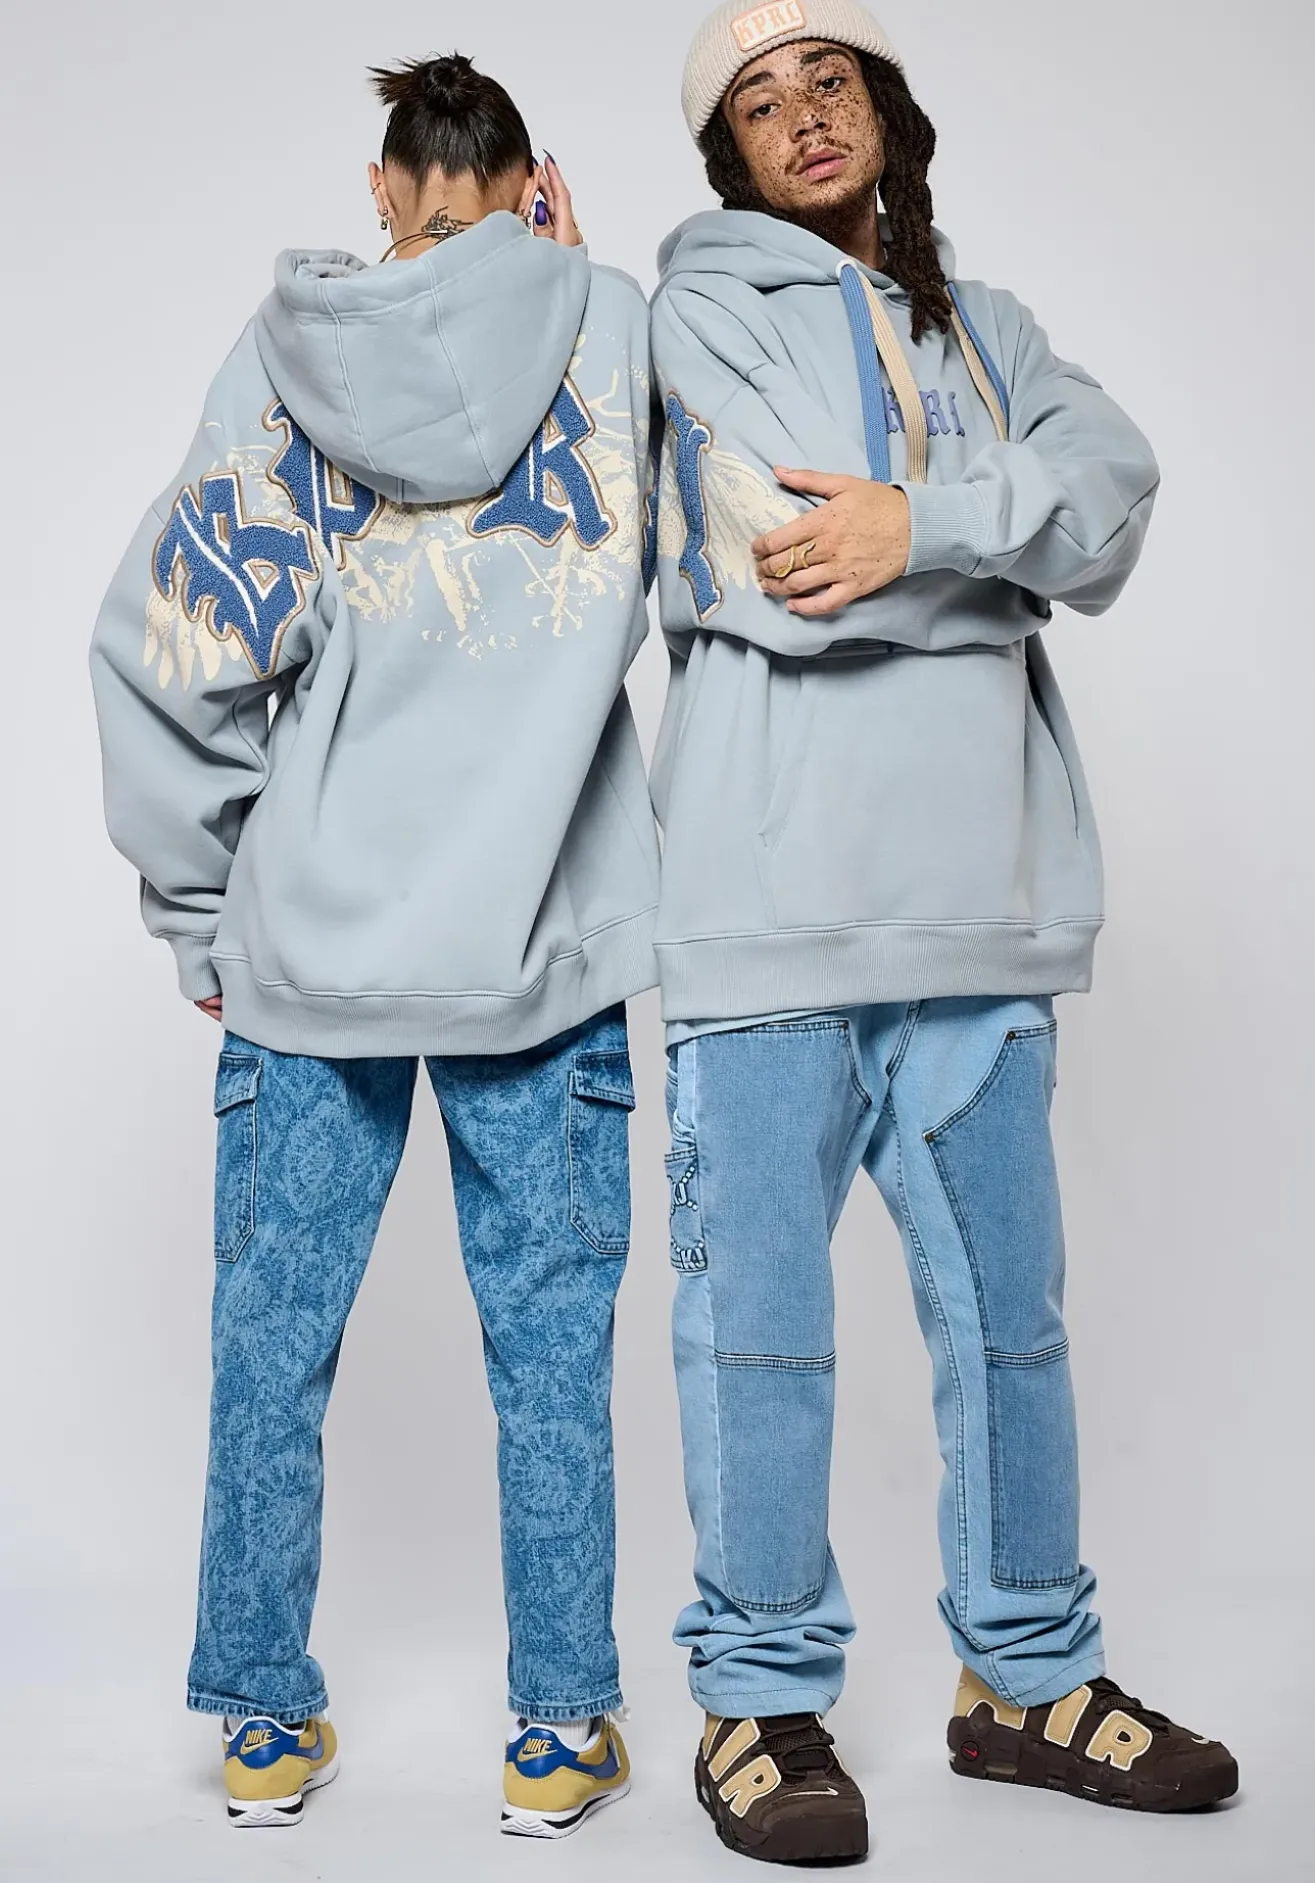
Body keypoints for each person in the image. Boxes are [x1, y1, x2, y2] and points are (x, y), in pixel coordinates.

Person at [649, 1, 1237, 1861]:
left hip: (982, 906)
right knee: (757, 1337)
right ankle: (756, 1701)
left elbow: (1113, 503)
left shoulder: (995, 335)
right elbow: (774, 558)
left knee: (1010, 1330)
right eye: (759, 103)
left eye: (829, 79)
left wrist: (922, 526)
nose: (803, 116)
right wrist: (994, 561)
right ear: (729, 159)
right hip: (765, 910)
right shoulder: (696, 314)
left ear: (885, 110)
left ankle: (1025, 1682)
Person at [90, 53, 657, 1840]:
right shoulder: (612, 329)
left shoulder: (287, 361)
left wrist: (200, 905)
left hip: (313, 943)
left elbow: (172, 646)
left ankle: (264, 1723)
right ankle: (556, 1731)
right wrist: (567, 280)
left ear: (382, 186)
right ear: (530, 184)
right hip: (542, 940)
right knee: (551, 1346)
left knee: (272, 1342)